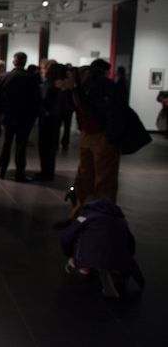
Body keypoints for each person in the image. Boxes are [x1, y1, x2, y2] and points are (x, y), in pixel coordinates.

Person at [59, 195, 144, 298]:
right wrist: (127, 258)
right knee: (111, 252)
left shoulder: (84, 217)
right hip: (118, 259)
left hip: (89, 256)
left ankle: (85, 267)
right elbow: (130, 243)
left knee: (82, 238)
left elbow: (67, 235)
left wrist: (69, 254)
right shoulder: (120, 219)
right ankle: (112, 268)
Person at [70, 59, 124, 216]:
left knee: (103, 179)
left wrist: (109, 136)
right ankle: (86, 213)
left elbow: (114, 112)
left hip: (101, 135)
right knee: (85, 176)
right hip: (90, 134)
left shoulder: (100, 86)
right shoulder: (80, 88)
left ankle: (100, 215)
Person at [0, 52, 41, 181]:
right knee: (21, 146)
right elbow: (36, 99)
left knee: (5, 144)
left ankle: (1, 170)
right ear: (25, 62)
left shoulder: (3, 77)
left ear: (14, 62)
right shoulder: (31, 78)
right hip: (25, 118)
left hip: (7, 116)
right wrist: (33, 116)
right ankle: (20, 173)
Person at [35, 62, 67, 182]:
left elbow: (44, 102)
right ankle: (47, 172)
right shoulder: (58, 86)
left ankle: (46, 173)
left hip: (48, 120)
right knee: (49, 148)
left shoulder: (51, 86)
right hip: (52, 119)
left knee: (46, 147)